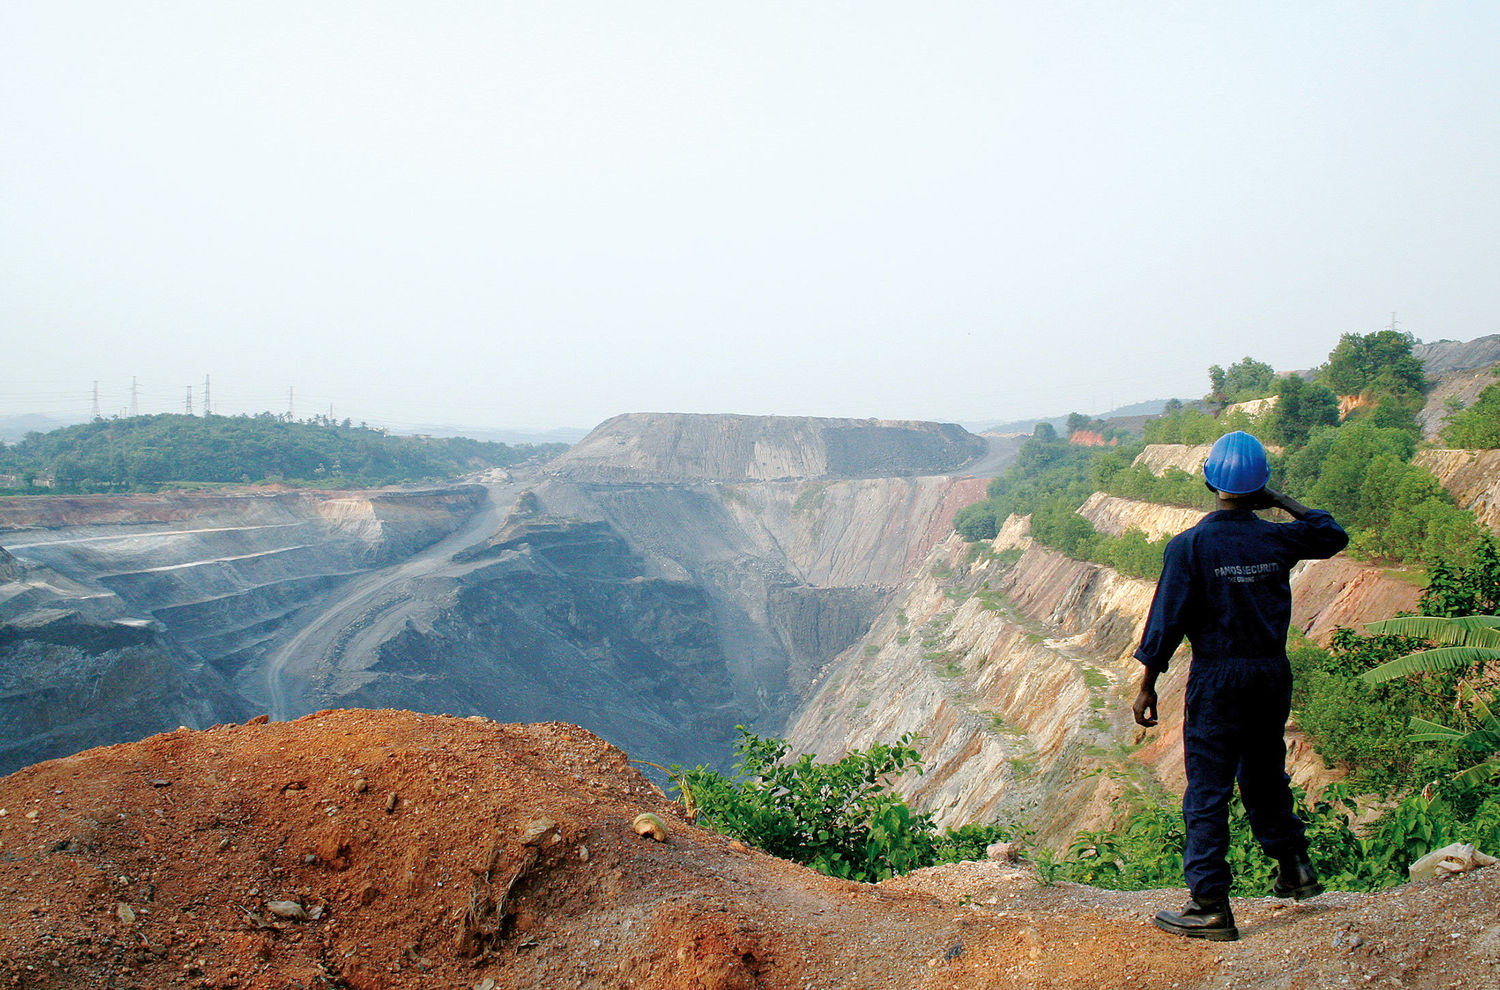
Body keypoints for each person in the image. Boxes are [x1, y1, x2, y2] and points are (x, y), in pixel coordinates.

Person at [1131, 430, 1348, 941]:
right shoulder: (1276, 538)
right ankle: (1295, 867)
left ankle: (1209, 905)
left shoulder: (1189, 546)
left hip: (1219, 677)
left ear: (1209, 481)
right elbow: (1331, 533)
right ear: (1260, 488)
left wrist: (1147, 684)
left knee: (1208, 789)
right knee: (1265, 773)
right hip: (1270, 675)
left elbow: (1166, 622)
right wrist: (1278, 501)